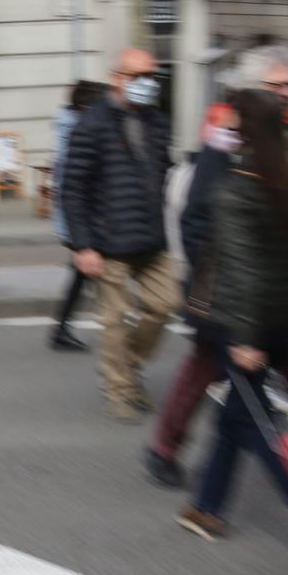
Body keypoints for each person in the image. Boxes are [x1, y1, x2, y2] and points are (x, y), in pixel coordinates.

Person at [144, 48, 288, 488]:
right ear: (252, 90)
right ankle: (165, 447)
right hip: (231, 281)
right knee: (204, 369)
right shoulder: (225, 137)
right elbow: (197, 213)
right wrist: (211, 276)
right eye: (278, 86)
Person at [175, 87, 288, 573]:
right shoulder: (287, 179)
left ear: (242, 129)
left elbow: (242, 268)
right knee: (235, 419)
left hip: (245, 321)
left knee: (261, 427)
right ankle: (208, 508)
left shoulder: (239, 185)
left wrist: (246, 337)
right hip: (286, 316)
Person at [61, 47, 178, 422]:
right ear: (118, 78)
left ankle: (129, 367)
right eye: (139, 76)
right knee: (114, 321)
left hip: (151, 238)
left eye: (152, 77)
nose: (147, 84)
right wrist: (83, 245)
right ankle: (119, 391)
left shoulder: (157, 121)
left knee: (165, 304)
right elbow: (73, 188)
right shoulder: (93, 123)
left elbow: (162, 172)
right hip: (107, 242)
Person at [49, 80, 105, 352]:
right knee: (92, 274)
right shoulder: (73, 132)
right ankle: (62, 330)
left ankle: (61, 329)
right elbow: (68, 184)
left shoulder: (72, 128)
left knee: (83, 276)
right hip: (79, 220)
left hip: (81, 220)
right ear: (86, 106)